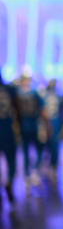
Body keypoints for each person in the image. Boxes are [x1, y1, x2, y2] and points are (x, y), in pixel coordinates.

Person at [17, 71, 48, 188]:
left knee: (25, 151)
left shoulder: (18, 93)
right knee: (38, 149)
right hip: (33, 125)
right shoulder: (35, 93)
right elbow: (43, 111)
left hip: (24, 125)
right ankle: (34, 172)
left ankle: (27, 174)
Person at [0, 70, 19, 204]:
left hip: (6, 127)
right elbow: (17, 111)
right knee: (11, 161)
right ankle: (9, 183)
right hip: (6, 128)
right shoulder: (10, 90)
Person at [40, 79, 63, 182]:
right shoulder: (58, 96)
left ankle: (50, 165)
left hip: (49, 122)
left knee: (50, 145)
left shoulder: (44, 96)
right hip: (53, 122)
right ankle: (52, 166)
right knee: (53, 145)